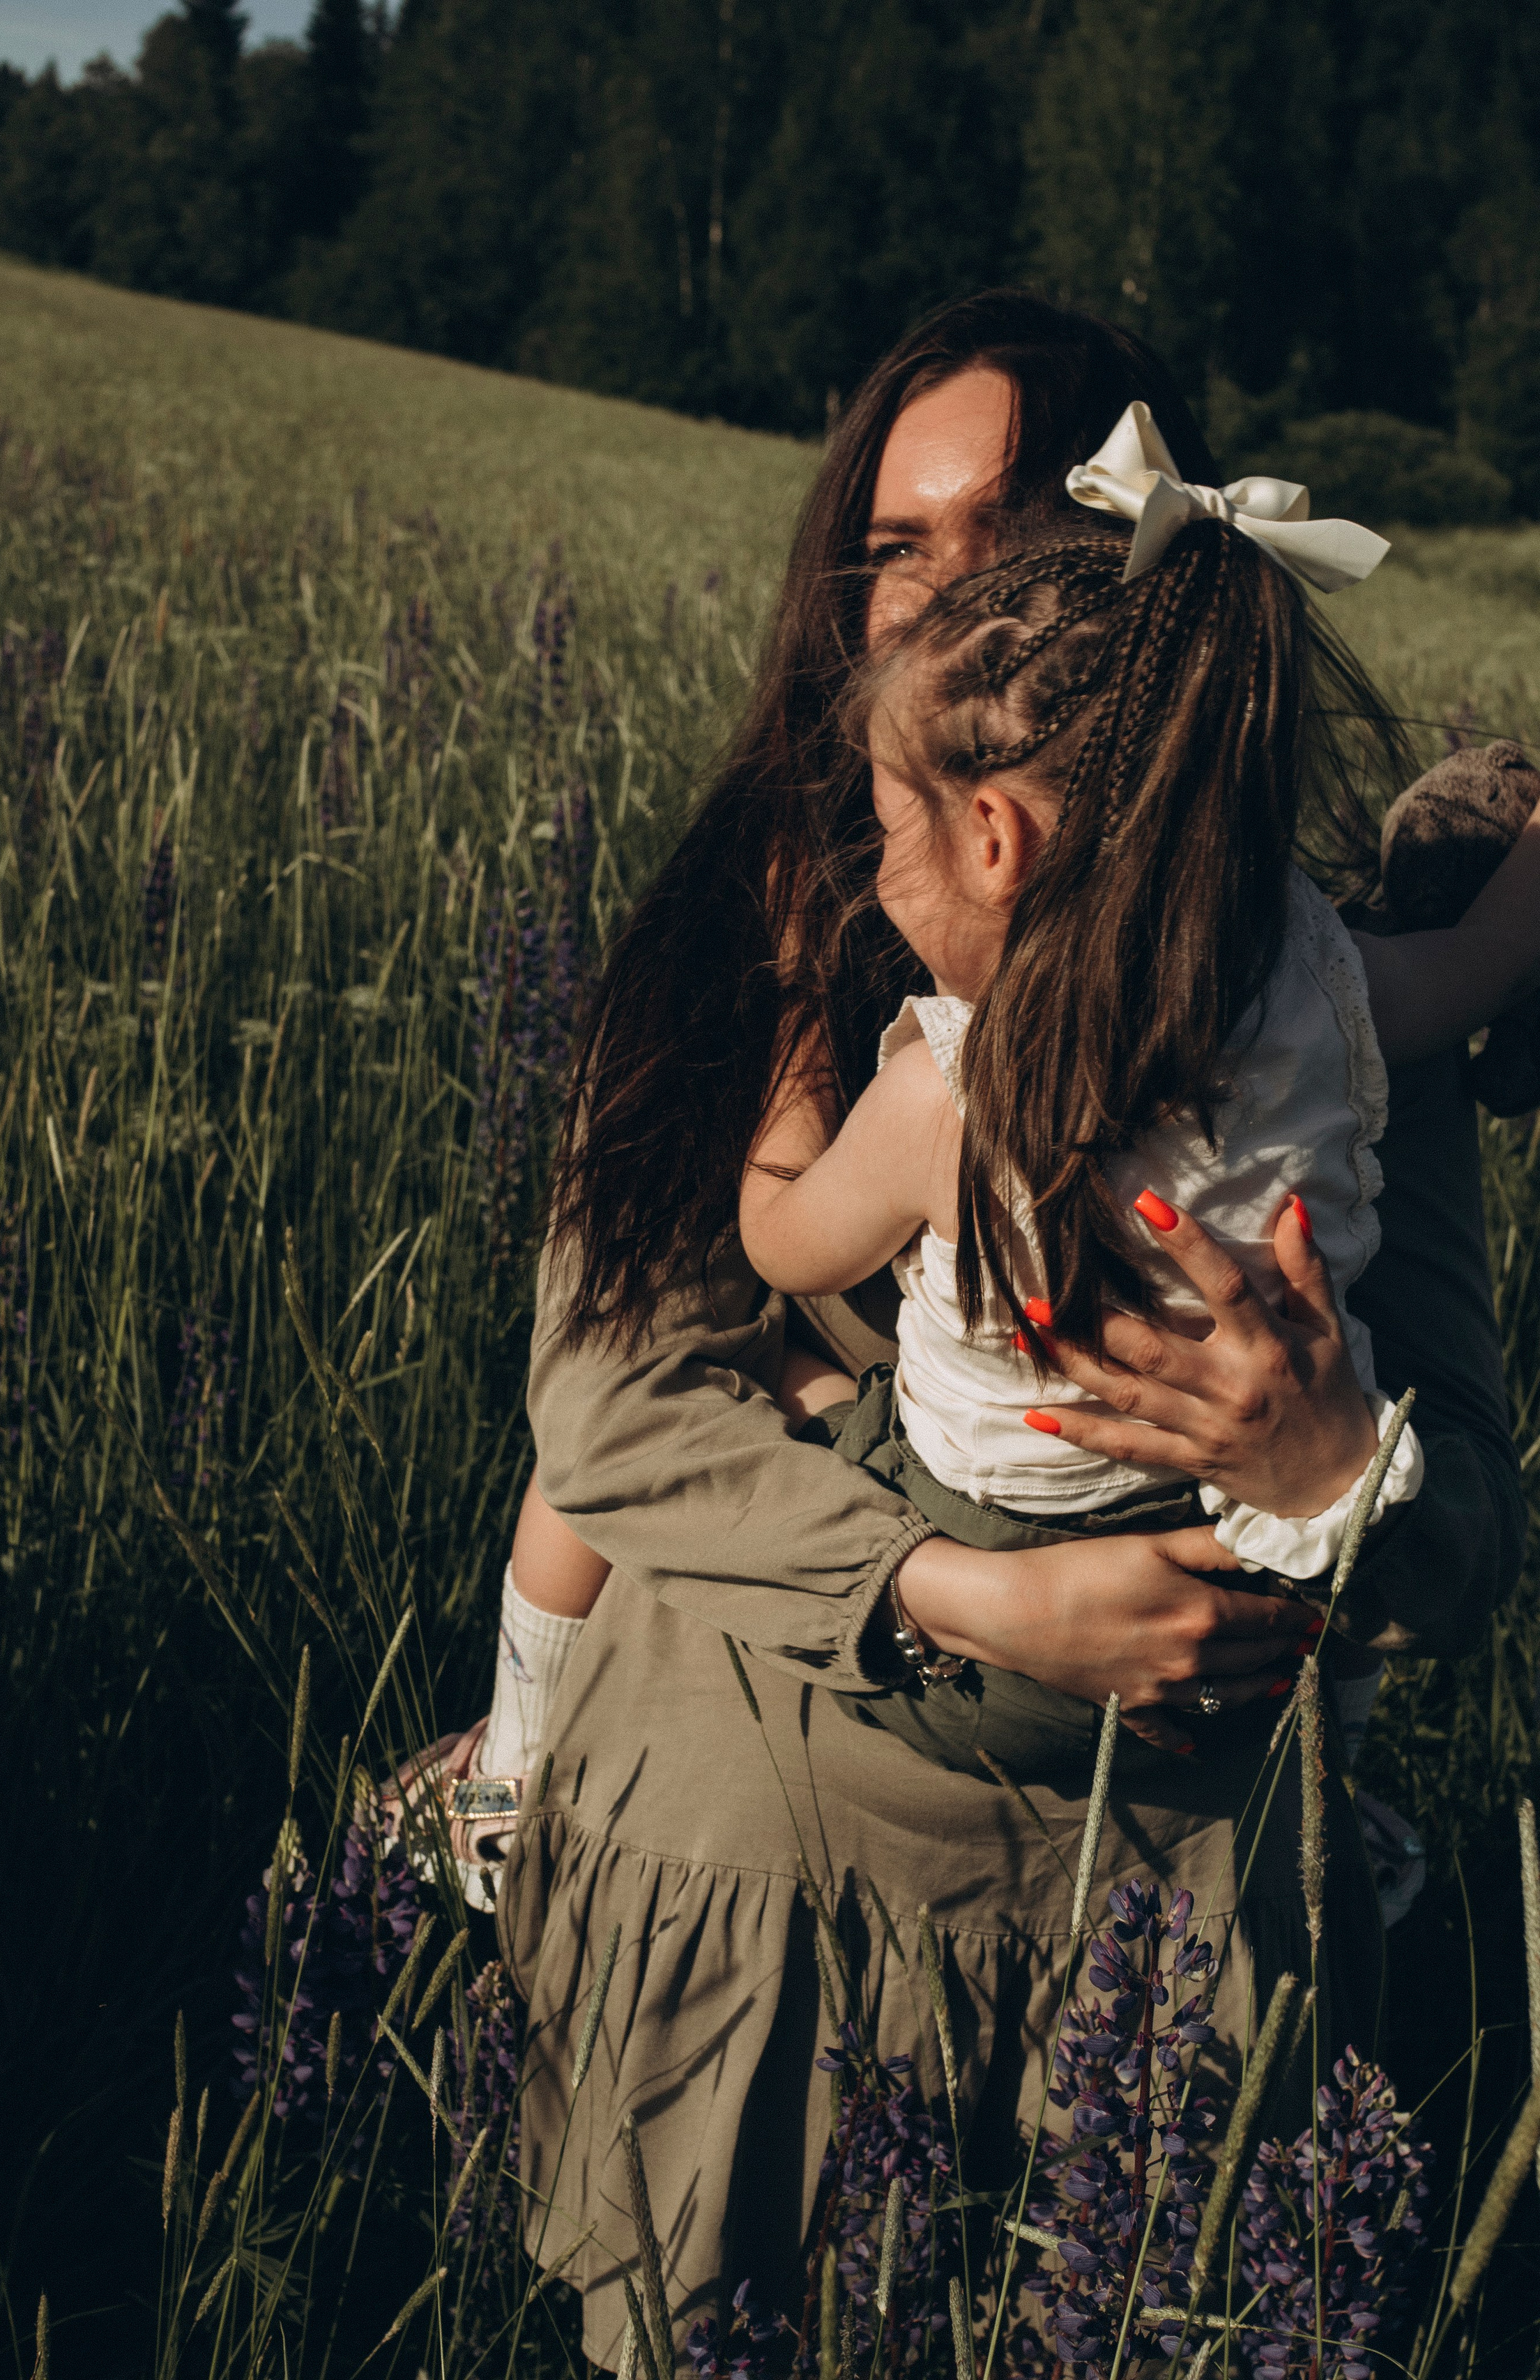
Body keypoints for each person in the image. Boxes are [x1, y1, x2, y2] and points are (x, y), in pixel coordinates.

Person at [490, 295, 1522, 2363]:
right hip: (810, 1738)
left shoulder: (1284, 966)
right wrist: (960, 1590)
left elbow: (1464, 1547)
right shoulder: (784, 907)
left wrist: (1332, 1470)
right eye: (900, 543)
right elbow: (607, 1402)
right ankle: (515, 1792)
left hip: (1162, 1831)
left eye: (1007, 530)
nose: (943, 589)